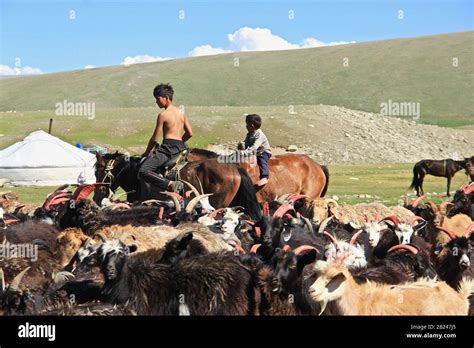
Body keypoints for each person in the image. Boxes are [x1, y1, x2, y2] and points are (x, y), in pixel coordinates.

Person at [138, 83, 193, 193]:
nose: (156, 102)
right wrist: (180, 142)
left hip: (168, 148)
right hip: (181, 148)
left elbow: (154, 139)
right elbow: (190, 133)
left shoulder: (163, 115)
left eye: (158, 99)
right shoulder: (181, 112)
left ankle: (170, 184)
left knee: (143, 170)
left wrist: (146, 153)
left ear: (166, 98)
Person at [238, 114, 272, 186]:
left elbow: (254, 148)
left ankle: (265, 177)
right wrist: (242, 145)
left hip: (263, 152)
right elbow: (246, 142)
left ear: (252, 126)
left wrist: (243, 153)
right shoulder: (250, 134)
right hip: (256, 152)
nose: (246, 126)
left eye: (247, 124)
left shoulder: (259, 135)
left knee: (261, 160)